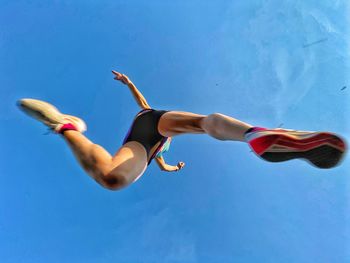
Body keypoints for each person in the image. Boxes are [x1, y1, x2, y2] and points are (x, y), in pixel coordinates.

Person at [17, 71, 347, 191]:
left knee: (112, 178)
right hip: (151, 132)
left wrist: (171, 166)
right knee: (203, 123)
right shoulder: (160, 135)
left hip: (146, 139)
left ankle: (65, 127)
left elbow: (157, 154)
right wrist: (130, 84)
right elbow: (148, 121)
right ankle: (254, 133)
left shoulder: (158, 141)